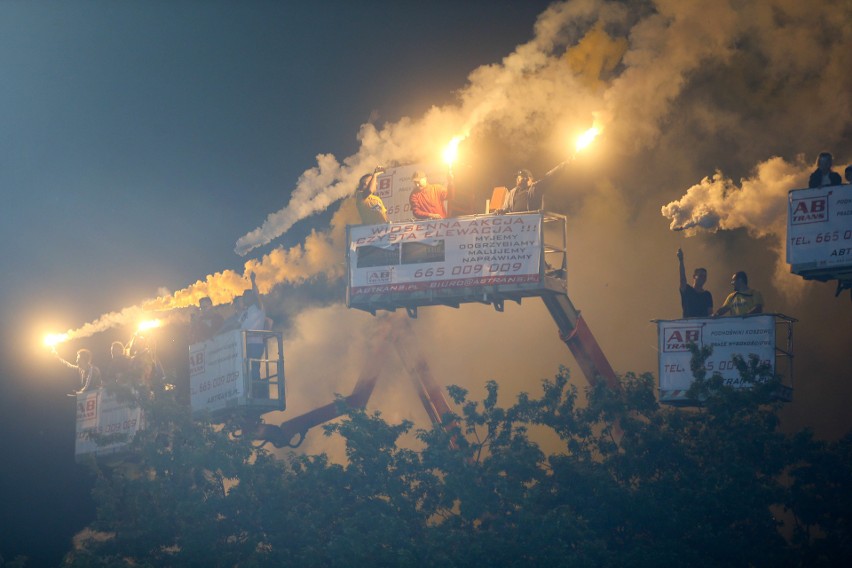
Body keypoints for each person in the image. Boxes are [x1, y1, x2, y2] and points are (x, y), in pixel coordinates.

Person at [677, 248, 713, 317]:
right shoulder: (687, 290)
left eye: (705, 276)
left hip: (703, 326)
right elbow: (682, 279)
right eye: (700, 276)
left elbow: (710, 313)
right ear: (694, 276)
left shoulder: (707, 294)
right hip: (689, 325)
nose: (703, 278)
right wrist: (681, 261)